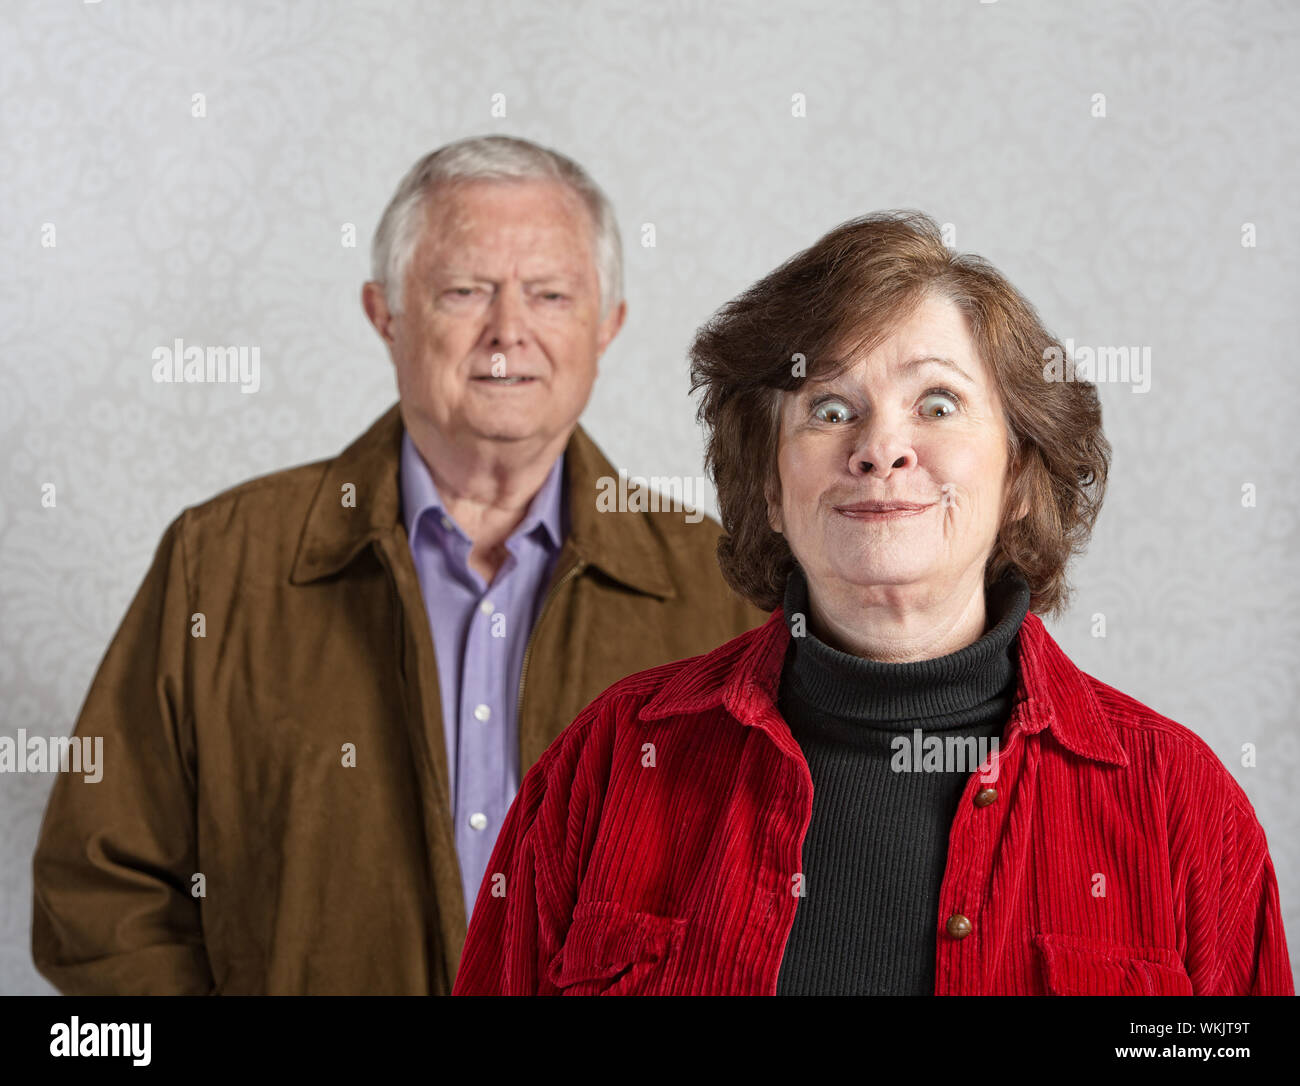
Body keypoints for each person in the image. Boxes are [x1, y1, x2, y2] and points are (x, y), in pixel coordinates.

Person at [453, 210, 1294, 996]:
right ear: (771, 487)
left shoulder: (1185, 810)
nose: (881, 448)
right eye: (829, 409)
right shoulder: (607, 764)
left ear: (1018, 480)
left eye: (938, 403)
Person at [30, 135, 764, 995]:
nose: (509, 331)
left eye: (551, 294)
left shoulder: (724, 590)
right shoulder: (219, 563)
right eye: (464, 291)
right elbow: (99, 891)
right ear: (386, 314)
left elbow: (792, 901)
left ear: (608, 325)